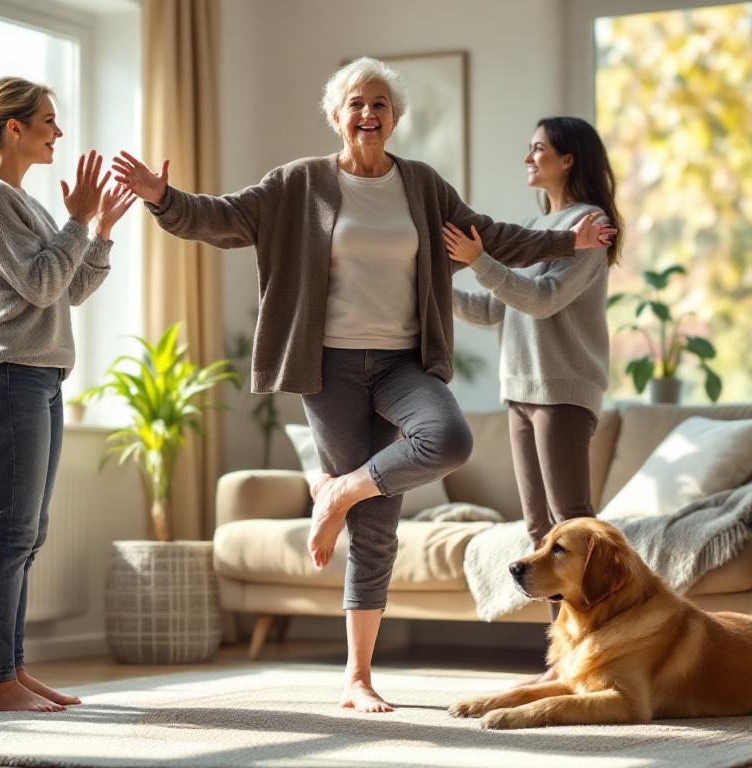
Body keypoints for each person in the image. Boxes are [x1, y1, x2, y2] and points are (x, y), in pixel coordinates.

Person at [112, 58, 614, 713]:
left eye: (379, 103)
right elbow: (223, 217)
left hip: (404, 363)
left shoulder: (422, 186)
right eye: (355, 102)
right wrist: (163, 198)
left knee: (449, 437)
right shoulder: (299, 183)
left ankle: (338, 489)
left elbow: (491, 236)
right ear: (336, 115)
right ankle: (358, 677)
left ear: (395, 117)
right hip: (329, 369)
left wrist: (567, 243)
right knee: (377, 529)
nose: (368, 113)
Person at [0, 76, 135, 712]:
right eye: (48, 121)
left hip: (39, 376)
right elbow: (43, 284)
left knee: (27, 534)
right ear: (15, 128)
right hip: (7, 377)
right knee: (11, 535)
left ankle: (12, 672)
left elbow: (68, 289)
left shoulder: (23, 202)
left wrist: (98, 231)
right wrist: (77, 220)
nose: (58, 132)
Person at [449, 116, 620, 683]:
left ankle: (599, 650)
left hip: (562, 390)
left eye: (538, 149)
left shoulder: (590, 226)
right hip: (520, 391)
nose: (528, 158)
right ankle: (564, 659)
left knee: (574, 528)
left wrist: (479, 261)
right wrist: (432, 287)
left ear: (568, 158)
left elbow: (544, 299)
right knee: (540, 533)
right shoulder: (537, 227)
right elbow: (494, 309)